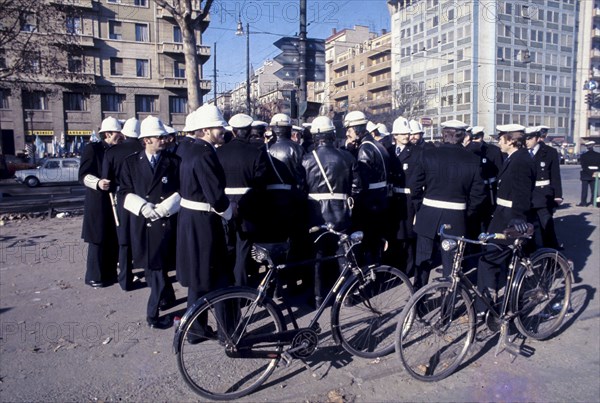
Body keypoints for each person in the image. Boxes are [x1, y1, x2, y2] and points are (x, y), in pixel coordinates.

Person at [175, 104, 232, 340]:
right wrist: (229, 211)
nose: (222, 131)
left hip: (189, 218)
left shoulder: (187, 149)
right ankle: (229, 333)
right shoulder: (205, 153)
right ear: (206, 130)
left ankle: (196, 328)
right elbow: (216, 196)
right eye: (219, 127)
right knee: (221, 278)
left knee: (198, 277)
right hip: (204, 220)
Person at [409, 120, 486, 289]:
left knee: (422, 261)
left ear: (443, 135)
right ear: (463, 136)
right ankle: (447, 308)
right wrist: (466, 214)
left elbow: (414, 186)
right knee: (451, 266)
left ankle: (417, 302)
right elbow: (478, 194)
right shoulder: (473, 160)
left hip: (428, 214)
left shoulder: (428, 155)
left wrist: (420, 207)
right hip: (456, 216)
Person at [120, 116, 180, 329]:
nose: (163, 140)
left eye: (163, 137)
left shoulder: (173, 161)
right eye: (158, 137)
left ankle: (161, 303)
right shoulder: (130, 163)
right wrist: (143, 207)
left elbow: (182, 189)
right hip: (143, 223)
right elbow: (124, 191)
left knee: (159, 268)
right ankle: (153, 314)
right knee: (153, 270)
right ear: (146, 140)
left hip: (165, 221)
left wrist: (167, 207)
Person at [301, 116, 361, 307]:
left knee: (317, 256)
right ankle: (348, 296)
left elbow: (300, 188)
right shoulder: (347, 156)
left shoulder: (306, 159)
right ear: (333, 135)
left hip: (315, 213)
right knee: (343, 255)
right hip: (341, 213)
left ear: (315, 136)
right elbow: (358, 187)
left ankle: (319, 298)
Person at [476, 124, 535, 315]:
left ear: (510, 140)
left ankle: (483, 309)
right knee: (507, 261)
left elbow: (522, 194)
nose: (498, 141)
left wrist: (516, 222)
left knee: (489, 259)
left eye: (501, 137)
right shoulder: (515, 158)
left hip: (510, 218)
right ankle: (507, 303)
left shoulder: (521, 161)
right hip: (503, 214)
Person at [216, 113, 270, 286]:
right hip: (248, 207)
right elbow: (261, 185)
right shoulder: (256, 153)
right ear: (248, 131)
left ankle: (225, 287)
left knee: (226, 248)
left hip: (224, 206)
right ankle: (240, 289)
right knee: (243, 249)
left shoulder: (219, 152)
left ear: (232, 131)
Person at [79, 117, 123, 288]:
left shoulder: (118, 149)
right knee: (97, 238)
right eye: (118, 133)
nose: (120, 136)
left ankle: (110, 273)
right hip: (97, 199)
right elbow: (83, 174)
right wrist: (97, 182)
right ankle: (94, 276)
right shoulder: (93, 148)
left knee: (112, 237)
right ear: (108, 133)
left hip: (114, 198)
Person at [101, 117, 143, 291]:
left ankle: (125, 279)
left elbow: (106, 178)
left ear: (124, 133)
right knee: (144, 237)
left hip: (122, 197)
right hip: (143, 197)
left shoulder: (111, 152)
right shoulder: (144, 149)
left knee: (124, 240)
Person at [344, 110, 390, 264]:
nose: (347, 134)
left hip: (369, 204)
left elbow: (361, 183)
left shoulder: (364, 149)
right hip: (381, 200)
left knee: (366, 243)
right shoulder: (377, 145)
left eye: (349, 130)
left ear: (357, 130)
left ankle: (369, 279)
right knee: (375, 242)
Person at [385, 116, 421, 276]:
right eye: (402, 134)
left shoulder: (417, 153)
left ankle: (408, 270)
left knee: (408, 237)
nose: (406, 136)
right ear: (395, 136)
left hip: (408, 200)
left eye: (407, 133)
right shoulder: (388, 151)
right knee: (394, 235)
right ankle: (395, 268)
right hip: (393, 199)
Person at [525, 126, 563, 249]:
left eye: (530, 139)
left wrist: (558, 195)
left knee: (546, 225)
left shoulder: (549, 152)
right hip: (527, 195)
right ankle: (530, 252)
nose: (527, 142)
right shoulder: (522, 151)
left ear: (537, 138)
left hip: (543, 195)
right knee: (528, 227)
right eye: (525, 139)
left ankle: (552, 252)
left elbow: (555, 176)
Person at [463, 126, 503, 233]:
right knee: (472, 224)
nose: (474, 141)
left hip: (489, 192)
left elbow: (499, 173)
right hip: (472, 193)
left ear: (481, 137)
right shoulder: (466, 150)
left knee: (488, 223)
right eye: (472, 138)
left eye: (477, 137)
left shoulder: (493, 151)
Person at [578, 141, 600, 207]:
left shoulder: (583, 156)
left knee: (584, 190)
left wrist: (590, 172)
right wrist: (596, 172)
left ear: (587, 147)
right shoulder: (598, 155)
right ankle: (594, 202)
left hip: (585, 174)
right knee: (594, 190)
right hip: (595, 174)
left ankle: (583, 203)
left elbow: (583, 166)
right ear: (593, 146)